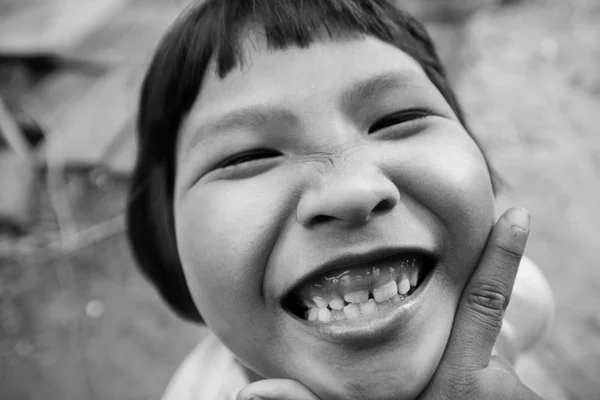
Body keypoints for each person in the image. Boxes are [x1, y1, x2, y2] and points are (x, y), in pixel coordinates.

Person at [126, 0, 554, 399]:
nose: (352, 191)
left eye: (399, 119)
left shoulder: (522, 302)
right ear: (168, 242)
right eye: (247, 156)